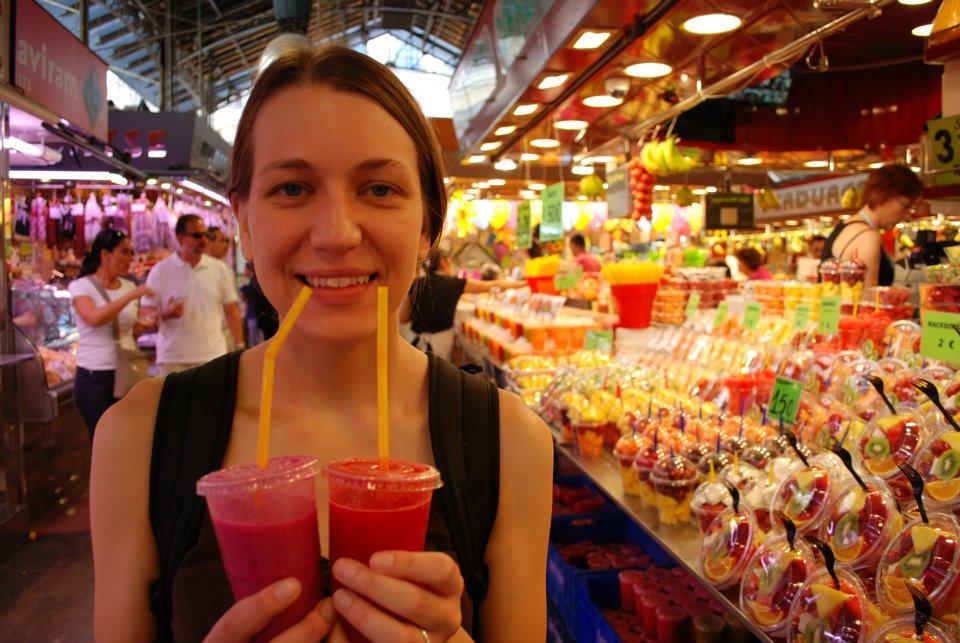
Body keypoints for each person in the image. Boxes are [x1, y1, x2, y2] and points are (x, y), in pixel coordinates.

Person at [91, 44, 551, 642]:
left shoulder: (509, 442)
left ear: (428, 227)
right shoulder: (140, 439)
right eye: (292, 189)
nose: (337, 233)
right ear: (245, 224)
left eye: (380, 189)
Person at [68, 230, 152, 438]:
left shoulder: (129, 285)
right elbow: (94, 318)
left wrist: (154, 319)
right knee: (101, 438)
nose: (130, 258)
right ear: (105, 255)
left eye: (131, 252)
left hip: (127, 370)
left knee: (129, 436)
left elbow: (130, 329)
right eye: (124, 252)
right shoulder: (81, 286)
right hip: (95, 374)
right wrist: (132, 296)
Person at [141, 214, 245, 375]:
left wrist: (239, 347)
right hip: (172, 359)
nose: (203, 240)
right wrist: (165, 313)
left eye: (205, 235)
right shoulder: (161, 271)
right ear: (180, 238)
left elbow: (231, 310)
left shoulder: (220, 269)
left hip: (212, 357)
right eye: (197, 235)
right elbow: (145, 313)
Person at [403, 251, 526, 360]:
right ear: (444, 262)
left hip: (412, 341)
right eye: (451, 262)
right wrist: (524, 283)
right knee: (437, 378)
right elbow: (491, 286)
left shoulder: (415, 283)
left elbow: (403, 317)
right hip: (440, 343)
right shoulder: (454, 283)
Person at [822, 164, 923, 287]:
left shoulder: (845, 226)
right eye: (906, 206)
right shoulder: (867, 236)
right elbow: (867, 300)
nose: (907, 215)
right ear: (886, 195)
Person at [205, 225, 243, 351]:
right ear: (208, 242)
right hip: (209, 335)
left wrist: (238, 341)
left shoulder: (225, 268)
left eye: (227, 241)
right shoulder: (197, 270)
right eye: (222, 240)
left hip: (224, 332)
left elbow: (232, 308)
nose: (226, 245)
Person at [239, 263, 279, 345]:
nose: (243, 272)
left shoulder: (253, 282)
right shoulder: (257, 281)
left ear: (249, 270)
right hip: (263, 316)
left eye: (245, 270)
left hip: (255, 316)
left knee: (255, 342)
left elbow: (243, 295)